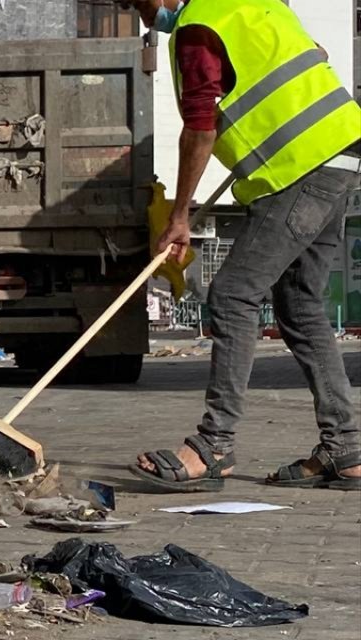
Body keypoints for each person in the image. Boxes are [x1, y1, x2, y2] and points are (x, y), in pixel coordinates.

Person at [117, 0, 361, 491]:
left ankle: (214, 446)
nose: (144, 19)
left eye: (140, 4)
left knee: (232, 295)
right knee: (300, 305)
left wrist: (180, 216)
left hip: (301, 171)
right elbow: (316, 52)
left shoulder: (198, 29)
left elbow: (199, 128)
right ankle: (347, 448)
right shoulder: (249, 4)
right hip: (340, 153)